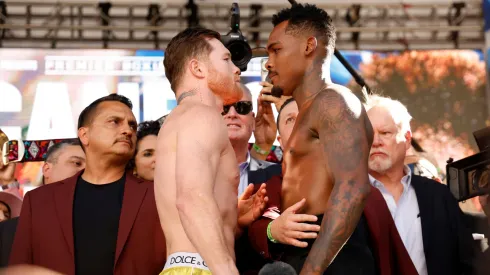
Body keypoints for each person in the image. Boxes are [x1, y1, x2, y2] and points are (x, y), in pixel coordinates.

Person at [246, 97, 418, 275]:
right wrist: (272, 231)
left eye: (309, 117)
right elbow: (242, 241)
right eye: (291, 119)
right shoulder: (266, 184)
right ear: (281, 141)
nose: (302, 123)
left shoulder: (364, 190)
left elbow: (395, 261)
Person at [265, 4, 374, 274]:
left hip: (331, 259)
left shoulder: (332, 101)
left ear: (309, 46)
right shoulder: (308, 111)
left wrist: (312, 270)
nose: (268, 62)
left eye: (276, 50)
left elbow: (353, 188)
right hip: (309, 253)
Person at [10, 94, 166, 275]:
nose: (128, 130)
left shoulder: (158, 195)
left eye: (132, 125)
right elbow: (20, 269)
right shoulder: (39, 201)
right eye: (114, 122)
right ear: (84, 134)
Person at [155, 27, 267, 275]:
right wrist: (227, 270)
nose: (237, 69)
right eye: (226, 59)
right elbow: (191, 199)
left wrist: (232, 218)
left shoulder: (181, 118)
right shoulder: (202, 115)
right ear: (198, 69)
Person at [364, 92, 474, 275]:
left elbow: (468, 262)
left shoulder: (439, 196)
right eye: (368, 134)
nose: (376, 142)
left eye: (385, 133)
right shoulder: (345, 198)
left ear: (407, 139)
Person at [0, 140, 85, 268]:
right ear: (47, 169)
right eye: (77, 163)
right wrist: (8, 181)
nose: (86, 171)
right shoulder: (10, 231)